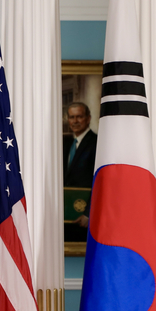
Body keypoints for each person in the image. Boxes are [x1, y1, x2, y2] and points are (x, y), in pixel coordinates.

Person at [63, 101, 97, 243]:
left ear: (88, 119)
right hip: (65, 216)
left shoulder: (96, 143)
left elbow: (100, 181)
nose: (75, 121)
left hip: (85, 218)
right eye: (72, 117)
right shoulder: (65, 144)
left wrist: (89, 213)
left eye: (79, 117)